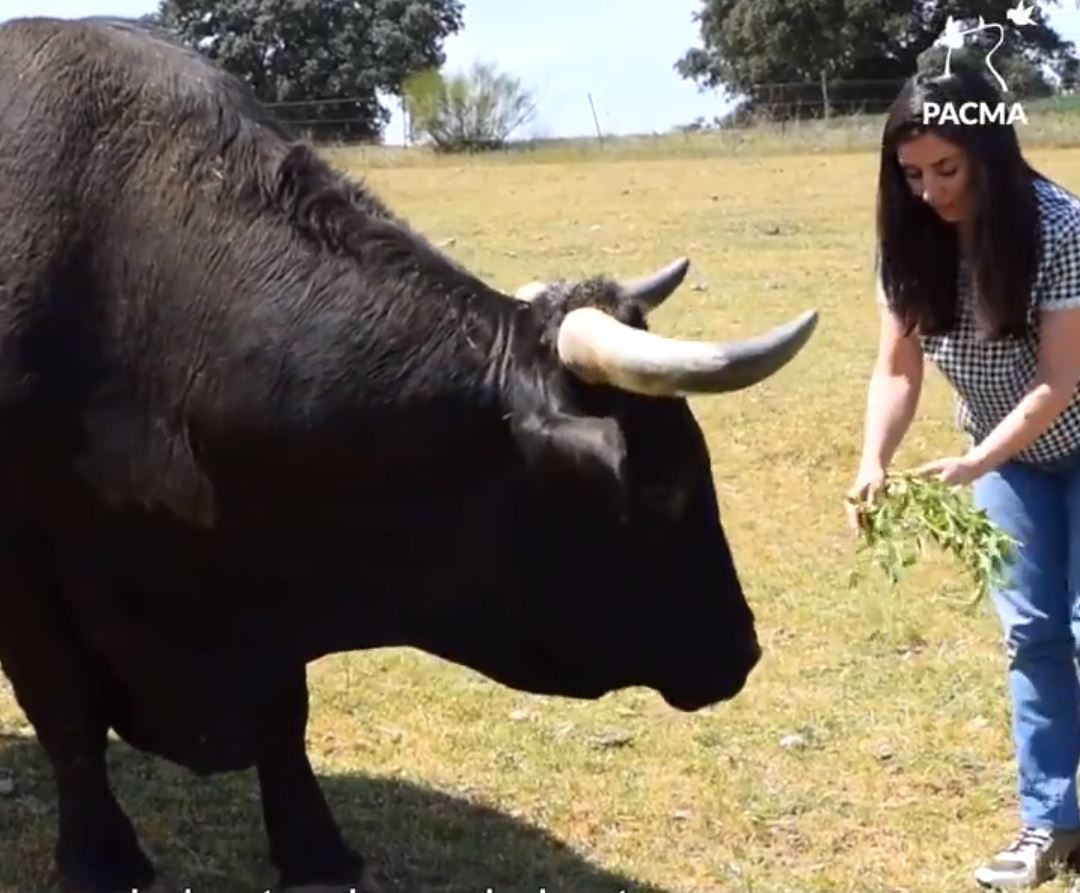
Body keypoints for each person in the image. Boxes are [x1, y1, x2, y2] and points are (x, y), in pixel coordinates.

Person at [847, 65, 1080, 890]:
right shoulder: (907, 241)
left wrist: (979, 459)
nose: (930, 191)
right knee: (1033, 634)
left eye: (947, 169)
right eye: (912, 174)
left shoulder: (1058, 226)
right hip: (1005, 454)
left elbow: (1058, 379)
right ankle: (1050, 824)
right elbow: (898, 369)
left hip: (1059, 435)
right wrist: (873, 457)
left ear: (990, 151)